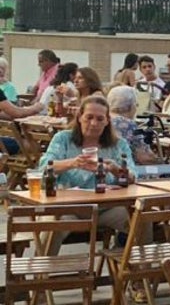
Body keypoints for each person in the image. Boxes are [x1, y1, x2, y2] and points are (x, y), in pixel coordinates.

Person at [39, 95, 135, 235]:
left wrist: (115, 169)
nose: (94, 123)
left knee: (139, 219)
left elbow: (132, 178)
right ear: (79, 117)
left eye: (100, 119)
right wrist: (73, 163)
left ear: (107, 121)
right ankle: (44, 257)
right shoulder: (63, 138)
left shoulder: (119, 144)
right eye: (89, 117)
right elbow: (43, 169)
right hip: (68, 208)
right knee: (52, 225)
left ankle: (130, 256)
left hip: (106, 208)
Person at [106, 85, 159, 165]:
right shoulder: (128, 124)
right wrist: (162, 161)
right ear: (130, 106)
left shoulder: (104, 118)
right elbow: (144, 157)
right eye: (136, 104)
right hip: (125, 169)